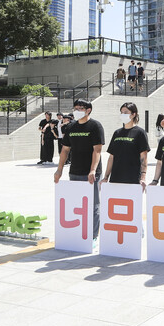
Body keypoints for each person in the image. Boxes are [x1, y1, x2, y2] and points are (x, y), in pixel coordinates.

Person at [54, 99, 105, 244]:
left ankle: (94, 235)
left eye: (80, 108)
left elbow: (98, 150)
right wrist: (59, 170)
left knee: (93, 204)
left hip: (90, 173)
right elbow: (65, 150)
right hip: (74, 171)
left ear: (88, 110)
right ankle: (79, 232)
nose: (77, 110)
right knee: (77, 203)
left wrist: (93, 170)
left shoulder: (95, 126)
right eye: (75, 108)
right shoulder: (71, 127)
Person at [101, 102, 150, 190]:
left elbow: (144, 157)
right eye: (121, 112)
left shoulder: (140, 133)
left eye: (126, 112)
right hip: (116, 177)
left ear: (133, 114)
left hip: (133, 178)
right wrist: (106, 177)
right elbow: (111, 157)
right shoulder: (117, 133)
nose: (122, 115)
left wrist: (143, 177)